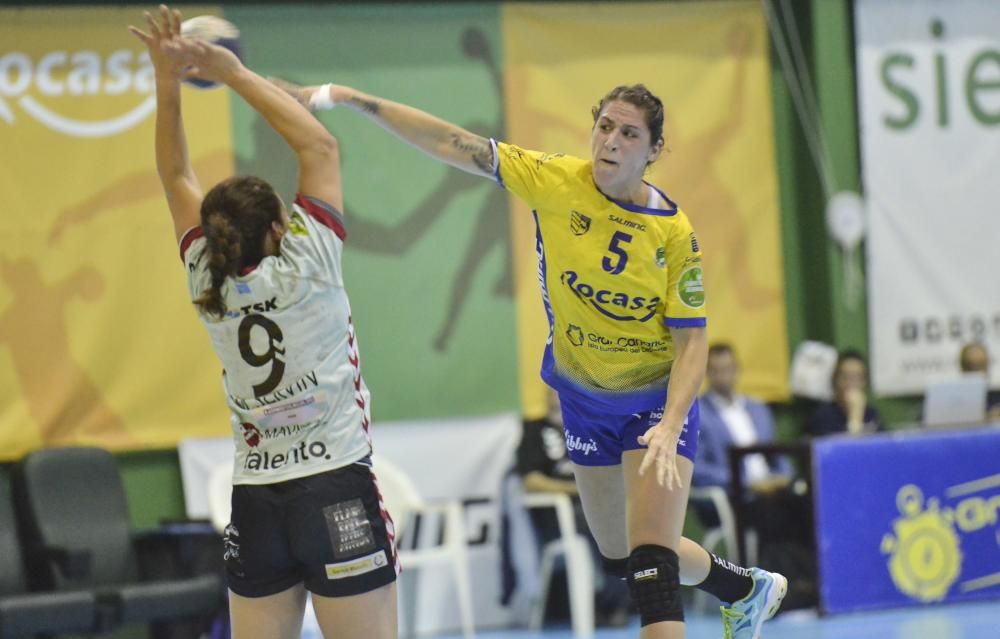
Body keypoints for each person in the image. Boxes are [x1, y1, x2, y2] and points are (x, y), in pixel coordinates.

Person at [272, 79, 787, 639]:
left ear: (654, 150)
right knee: (619, 550)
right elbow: (452, 143)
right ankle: (744, 587)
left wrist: (670, 423)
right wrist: (347, 98)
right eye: (605, 126)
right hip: (583, 399)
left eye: (629, 133)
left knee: (651, 567)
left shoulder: (673, 233)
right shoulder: (555, 181)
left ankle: (720, 590)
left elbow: (693, 342)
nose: (610, 141)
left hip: (654, 405)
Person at [130, 7, 397, 639]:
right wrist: (231, 71)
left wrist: (167, 84)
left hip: (258, 500)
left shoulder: (206, 277)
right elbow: (319, 145)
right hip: (335, 484)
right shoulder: (310, 261)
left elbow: (174, 175)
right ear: (280, 229)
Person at [516, 390, 632, 627]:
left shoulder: (588, 425)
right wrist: (576, 489)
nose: (560, 395)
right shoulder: (534, 430)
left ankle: (625, 598)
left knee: (626, 518)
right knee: (597, 522)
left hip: (593, 501)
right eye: (555, 390)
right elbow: (531, 481)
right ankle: (608, 602)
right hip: (558, 515)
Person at [807, 349, 882, 437]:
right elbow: (845, 449)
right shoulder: (822, 417)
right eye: (845, 377)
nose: (852, 384)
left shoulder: (871, 414)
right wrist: (855, 417)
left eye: (857, 378)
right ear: (835, 381)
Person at [959, 341, 1000, 418]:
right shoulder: (953, 401)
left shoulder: (997, 397)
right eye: (971, 367)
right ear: (962, 368)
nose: (977, 373)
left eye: (981, 365)